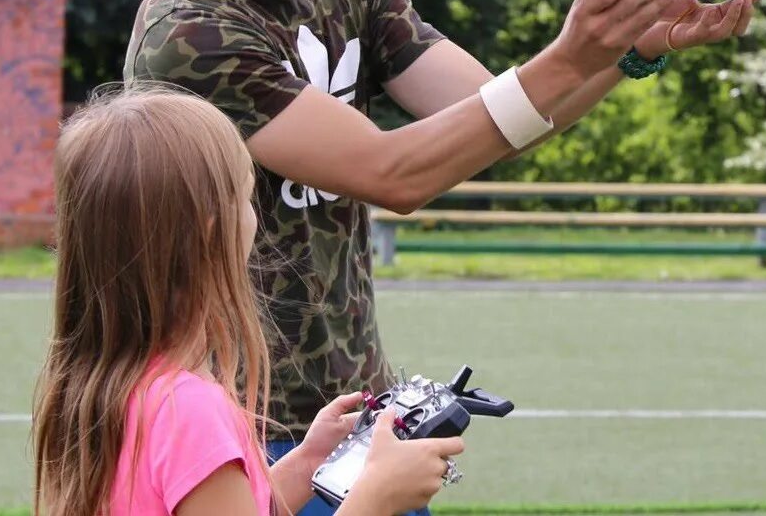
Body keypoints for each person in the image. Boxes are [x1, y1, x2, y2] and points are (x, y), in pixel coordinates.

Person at [123, 0, 756, 505]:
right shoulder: (187, 31)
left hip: (359, 422)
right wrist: (570, 54)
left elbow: (496, 113)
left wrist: (628, 52)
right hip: (232, 432)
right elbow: (396, 176)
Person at [31, 86, 464, 516]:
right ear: (211, 230)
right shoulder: (190, 411)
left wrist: (307, 464)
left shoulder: (105, 386)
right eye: (247, 194)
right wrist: (375, 498)